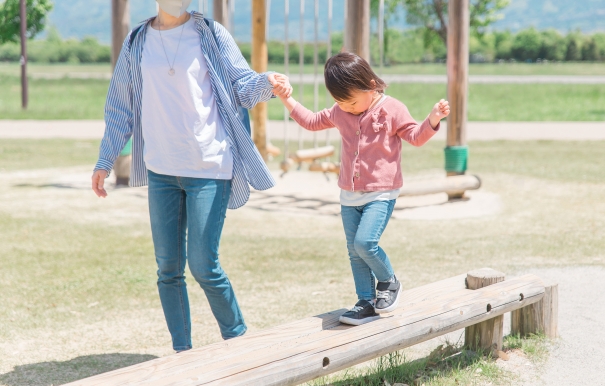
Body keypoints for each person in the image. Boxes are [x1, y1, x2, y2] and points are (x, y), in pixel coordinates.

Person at [91, 0, 292, 352]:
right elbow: (120, 105)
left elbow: (242, 87)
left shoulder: (211, 34)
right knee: (168, 269)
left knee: (203, 265)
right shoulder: (137, 41)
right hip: (161, 169)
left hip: (209, 166)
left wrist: (266, 83)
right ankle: (182, 353)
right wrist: (105, 159)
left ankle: (238, 341)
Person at [273, 52, 449, 325]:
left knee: (365, 243)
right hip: (348, 194)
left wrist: (433, 119)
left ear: (370, 85)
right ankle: (365, 301)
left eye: (352, 102)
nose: (348, 108)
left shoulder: (392, 109)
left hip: (381, 192)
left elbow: (415, 137)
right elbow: (309, 121)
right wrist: (285, 96)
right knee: (354, 251)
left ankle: (389, 281)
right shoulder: (339, 111)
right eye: (340, 103)